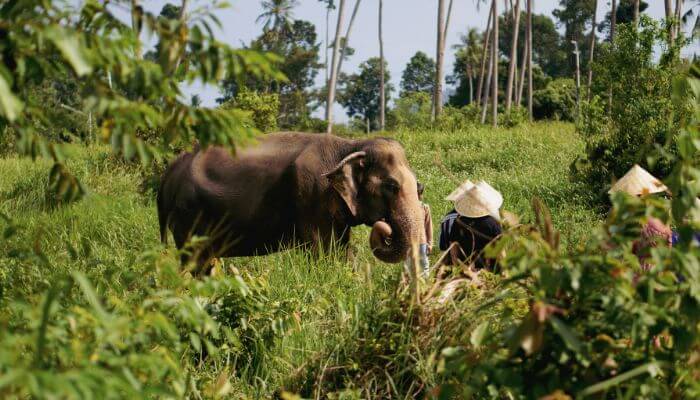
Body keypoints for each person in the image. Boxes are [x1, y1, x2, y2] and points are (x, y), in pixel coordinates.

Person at [609, 164, 672, 271]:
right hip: (662, 271)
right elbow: (669, 244)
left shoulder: (637, 221)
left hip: (642, 270)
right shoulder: (662, 216)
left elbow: (629, 249)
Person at [439, 181, 503, 271]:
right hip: (489, 271)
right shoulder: (493, 223)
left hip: (466, 270)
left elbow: (453, 250)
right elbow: (500, 251)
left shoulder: (458, 222)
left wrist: (457, 270)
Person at [416, 182, 432, 277]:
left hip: (422, 242)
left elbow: (428, 226)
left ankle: (425, 288)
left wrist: (430, 243)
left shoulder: (424, 207)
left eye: (420, 193)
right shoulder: (404, 208)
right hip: (408, 242)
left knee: (424, 266)